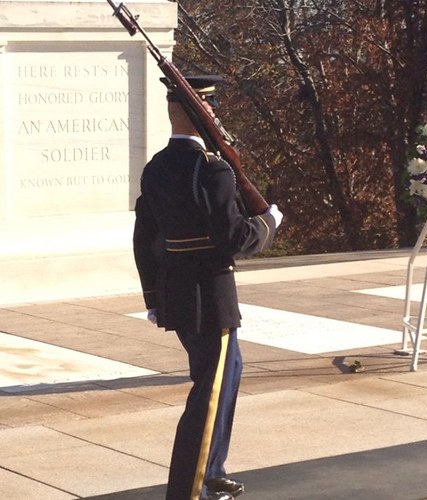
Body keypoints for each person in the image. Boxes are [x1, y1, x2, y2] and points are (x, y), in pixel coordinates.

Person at [133, 75, 283, 500]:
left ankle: (212, 469)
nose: (216, 112)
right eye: (211, 106)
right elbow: (235, 238)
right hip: (212, 296)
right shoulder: (212, 169)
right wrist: (269, 222)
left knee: (226, 375)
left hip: (178, 293)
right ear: (202, 112)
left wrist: (153, 298)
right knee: (210, 392)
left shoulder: (157, 167)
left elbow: (143, 238)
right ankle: (188, 488)